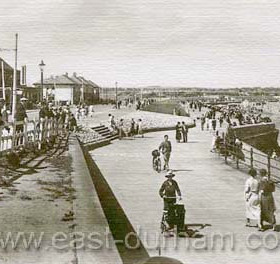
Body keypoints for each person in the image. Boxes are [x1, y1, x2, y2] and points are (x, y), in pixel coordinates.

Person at [159, 170, 182, 236]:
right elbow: (160, 191)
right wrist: (163, 195)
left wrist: (179, 195)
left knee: (172, 211)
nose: (170, 178)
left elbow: (178, 189)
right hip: (166, 199)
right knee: (166, 211)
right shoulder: (165, 183)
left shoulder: (174, 182)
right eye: (169, 177)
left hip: (173, 199)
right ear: (167, 177)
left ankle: (172, 224)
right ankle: (165, 222)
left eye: (171, 177)